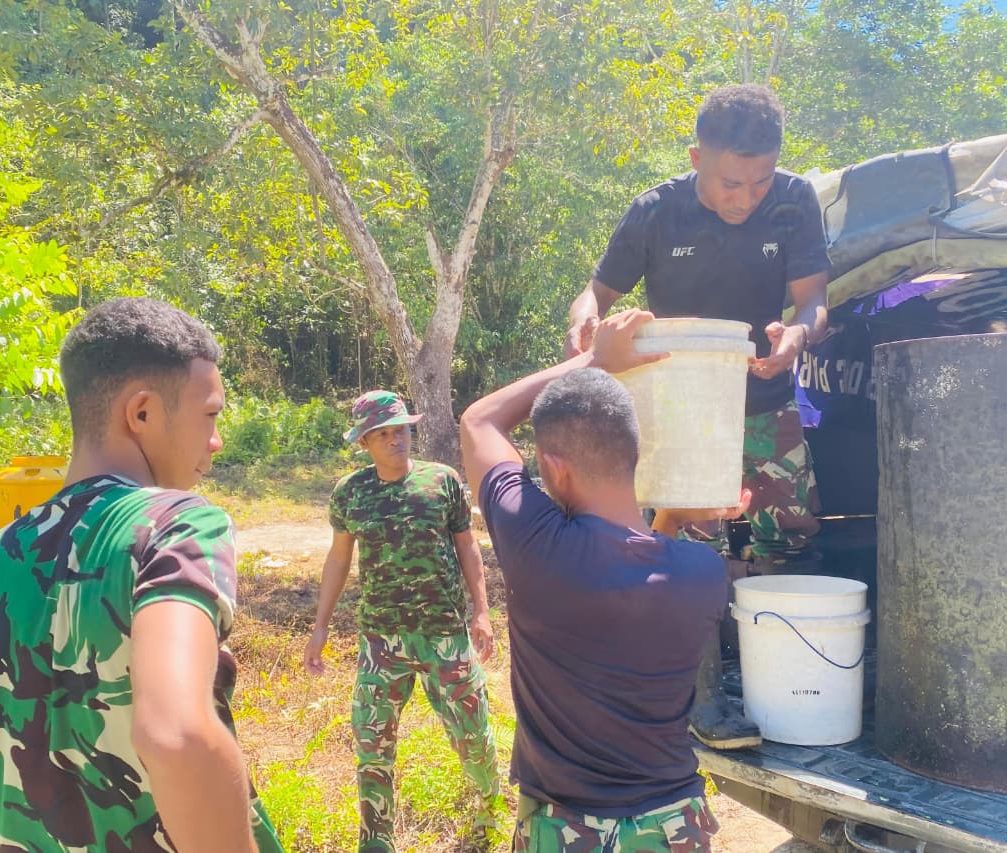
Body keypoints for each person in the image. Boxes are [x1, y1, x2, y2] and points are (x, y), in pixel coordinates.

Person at [0, 297, 282, 852]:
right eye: (210, 415)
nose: (215, 441)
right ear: (141, 413)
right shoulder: (173, 526)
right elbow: (176, 735)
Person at [460, 308, 750, 852]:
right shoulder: (703, 574)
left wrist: (594, 359)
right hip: (671, 825)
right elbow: (642, 578)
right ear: (634, 456)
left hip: (564, 828)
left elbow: (481, 421)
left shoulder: (536, 547)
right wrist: (675, 517)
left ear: (555, 468)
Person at [565, 83, 830, 574]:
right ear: (696, 158)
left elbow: (813, 300)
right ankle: (699, 624)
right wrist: (584, 319)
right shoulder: (656, 211)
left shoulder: (794, 200)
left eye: (761, 182)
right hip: (680, 413)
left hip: (767, 404)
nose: (746, 199)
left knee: (792, 547)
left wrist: (797, 335)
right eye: (730, 184)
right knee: (684, 555)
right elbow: (596, 293)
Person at [303, 390, 501, 853]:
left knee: (472, 735)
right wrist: (320, 626)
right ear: (364, 443)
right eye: (384, 435)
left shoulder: (441, 481)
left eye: (402, 430)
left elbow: (467, 546)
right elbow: (338, 558)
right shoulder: (351, 492)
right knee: (372, 743)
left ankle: (490, 809)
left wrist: (482, 610)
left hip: (444, 635)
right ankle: (376, 839)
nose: (396, 440)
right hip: (381, 641)